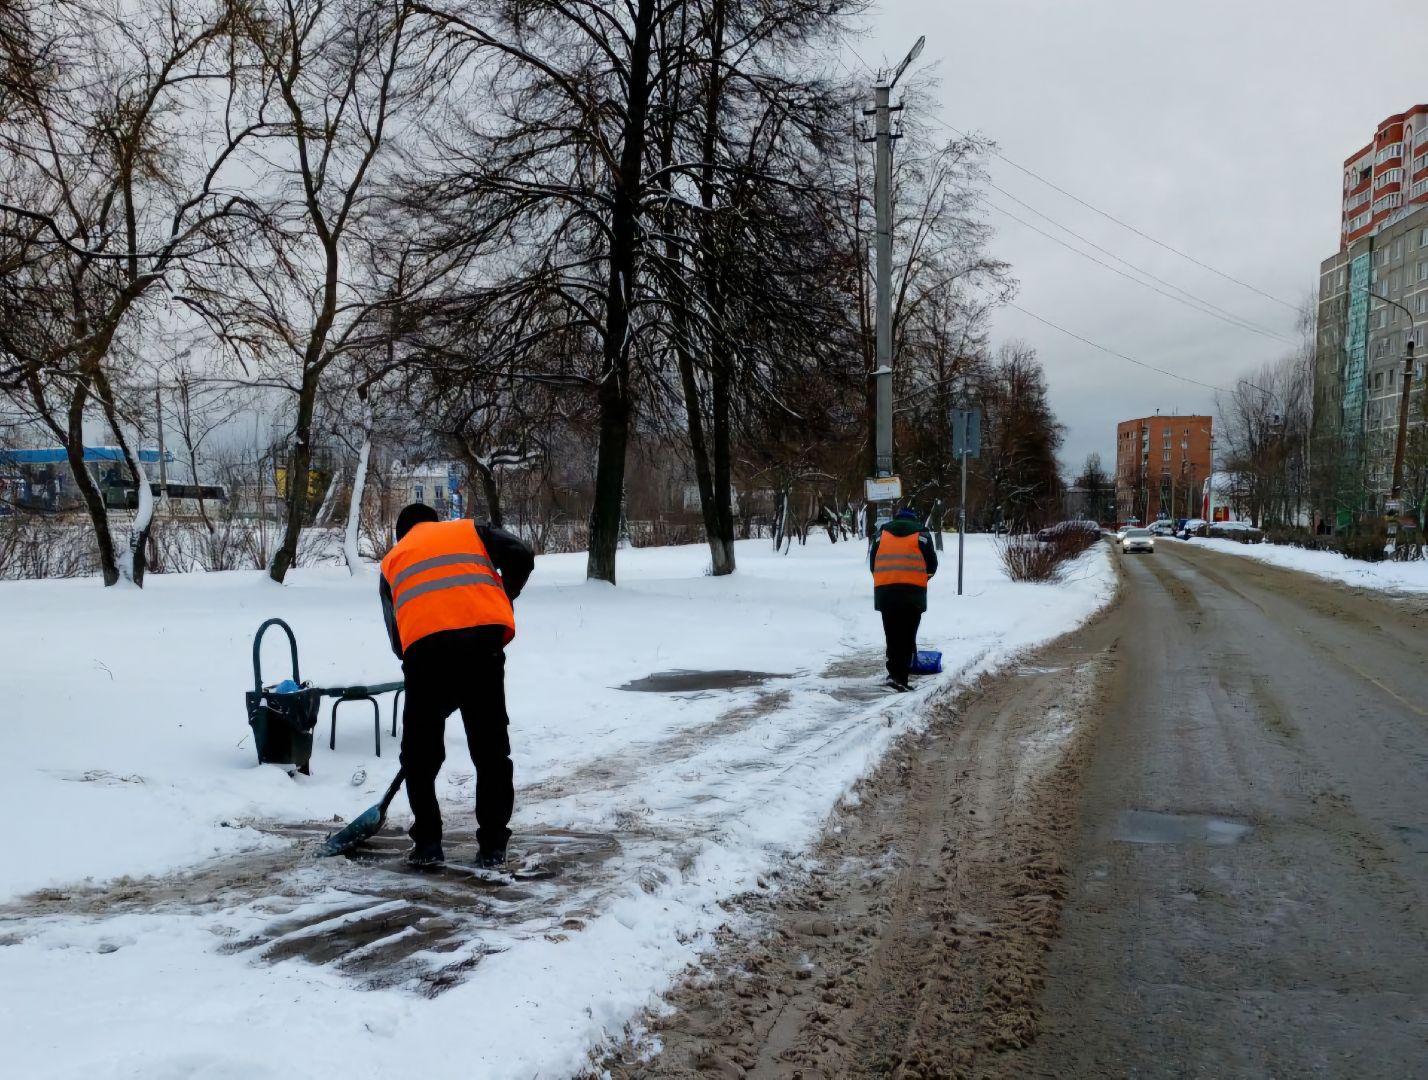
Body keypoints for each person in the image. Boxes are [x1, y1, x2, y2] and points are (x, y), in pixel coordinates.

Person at [379, 504, 534, 868]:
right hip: (483, 647)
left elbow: (397, 637)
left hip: (426, 658)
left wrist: (426, 668)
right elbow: (521, 556)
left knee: (419, 757)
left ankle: (428, 843)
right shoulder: (471, 532)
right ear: (436, 523)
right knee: (490, 751)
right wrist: (502, 597)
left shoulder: (393, 560)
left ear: (402, 533)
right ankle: (493, 846)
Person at [868, 507, 938, 692]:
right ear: (913, 518)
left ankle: (893, 673)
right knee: (907, 635)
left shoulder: (881, 533)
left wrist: (887, 578)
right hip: (912, 594)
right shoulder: (921, 533)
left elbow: (873, 563)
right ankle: (901, 677)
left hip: (886, 592)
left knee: (892, 634)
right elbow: (932, 564)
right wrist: (921, 577)